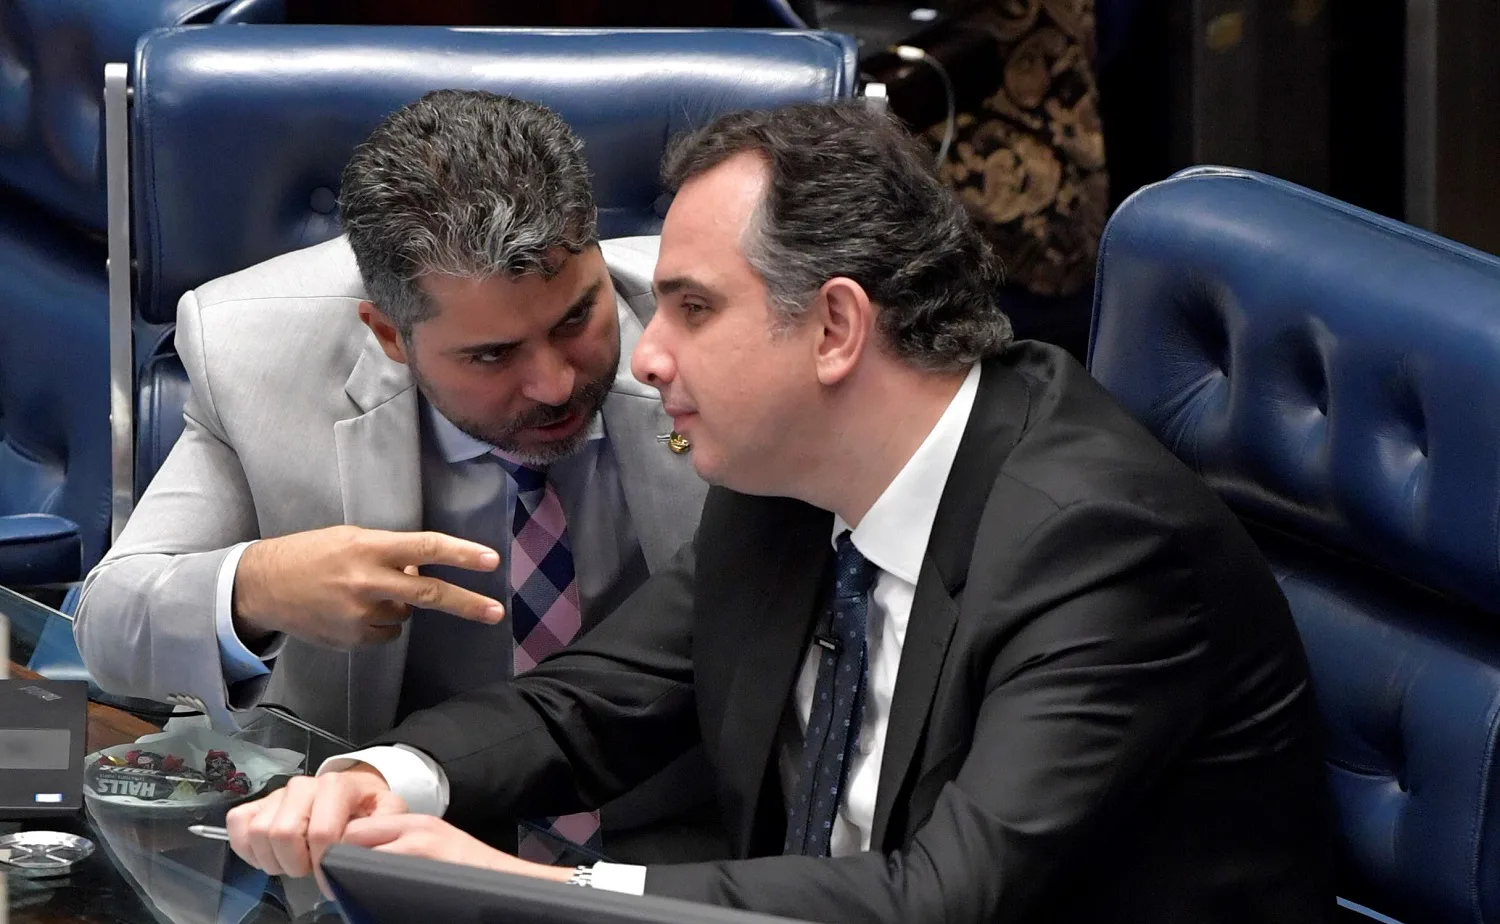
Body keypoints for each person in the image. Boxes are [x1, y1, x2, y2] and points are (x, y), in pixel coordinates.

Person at [225, 100, 1335, 923]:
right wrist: (379, 780)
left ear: (835, 329)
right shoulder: (785, 481)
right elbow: (588, 706)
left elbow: (944, 900)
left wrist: (547, 891)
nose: (645, 356)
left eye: (693, 309)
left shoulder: (1100, 545)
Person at [73, 90, 721, 863]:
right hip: (370, 838)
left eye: (576, 319)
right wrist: (257, 587)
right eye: (492, 355)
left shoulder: (716, 323)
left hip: (685, 835)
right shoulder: (254, 354)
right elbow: (110, 625)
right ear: (388, 334)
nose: (554, 384)